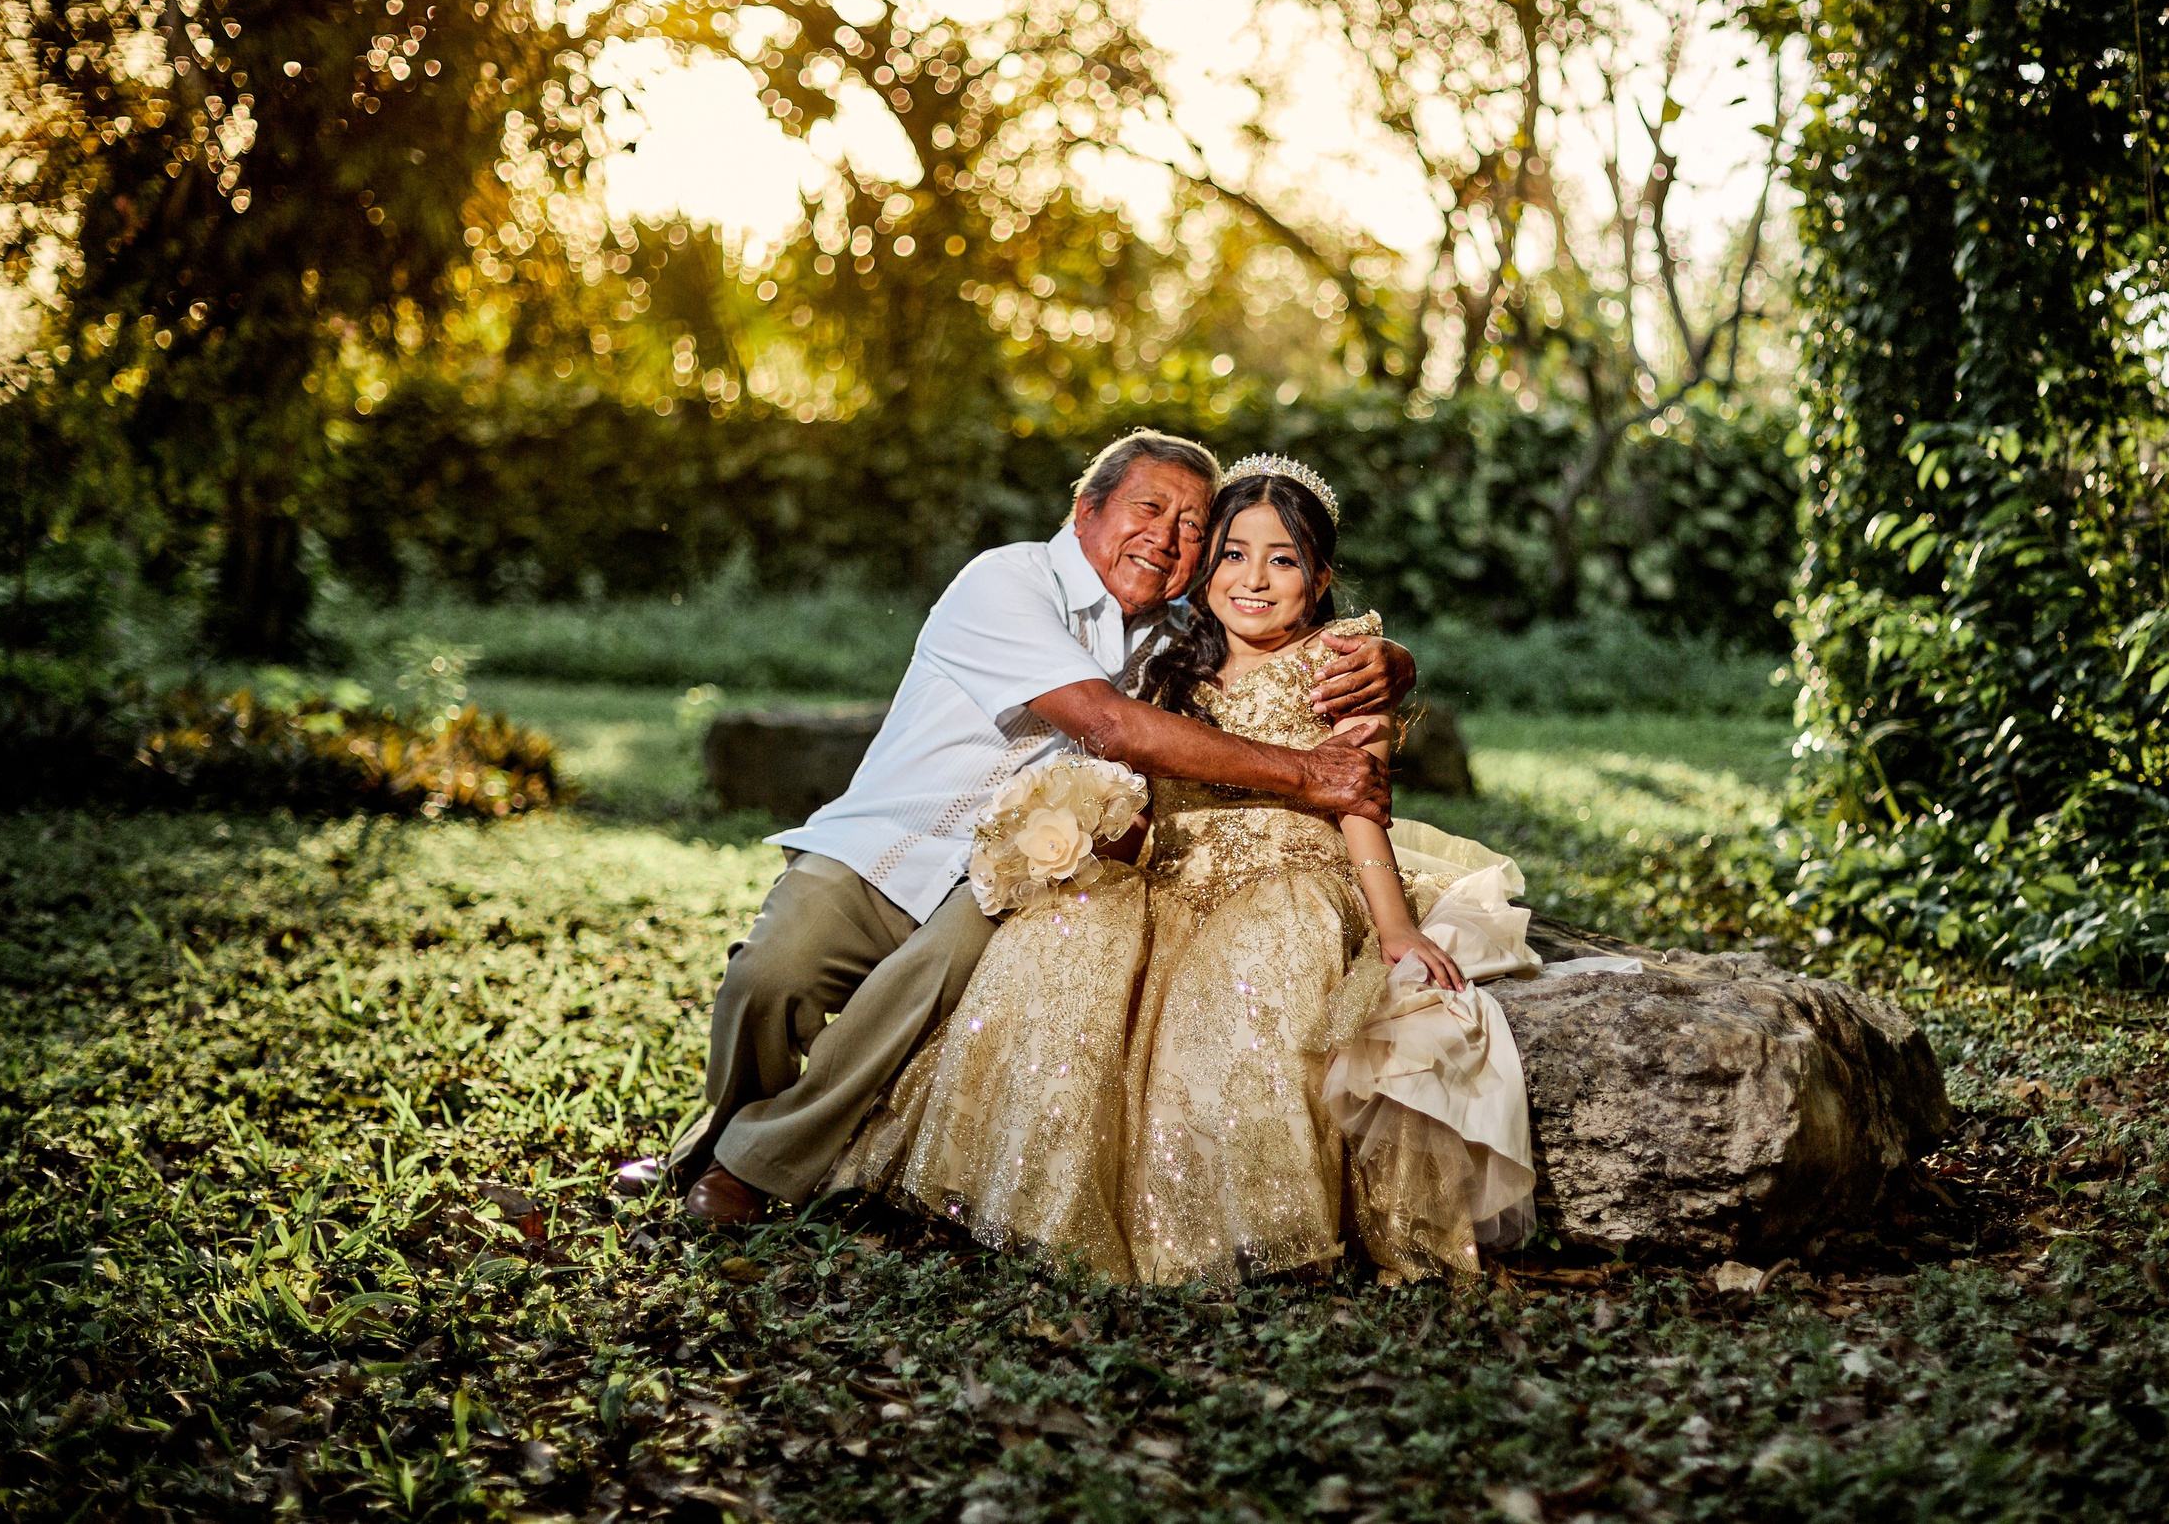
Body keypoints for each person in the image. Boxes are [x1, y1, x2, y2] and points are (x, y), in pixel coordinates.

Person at [617, 431, 1419, 1225]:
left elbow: (1273, 615)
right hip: (889, 844)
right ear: (1086, 508)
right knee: (771, 972)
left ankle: (753, 1167)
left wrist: (1392, 657)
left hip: (1009, 876)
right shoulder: (1006, 581)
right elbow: (1109, 726)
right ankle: (720, 1139)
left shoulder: (1178, 624)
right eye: (1149, 508)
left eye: (1189, 528)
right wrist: (1305, 773)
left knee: (945, 962)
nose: (1167, 538)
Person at [833, 457, 1534, 1281]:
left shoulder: (1340, 661)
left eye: (1284, 560)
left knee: (1241, 973)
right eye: (1233, 553)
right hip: (1167, 884)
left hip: (1285, 879)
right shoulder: (1168, 655)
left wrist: (1396, 926)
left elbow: (1360, 806)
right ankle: (1034, 1191)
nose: (1256, 580)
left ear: (1322, 576)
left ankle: (1235, 1225)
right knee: (1059, 940)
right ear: (1204, 571)